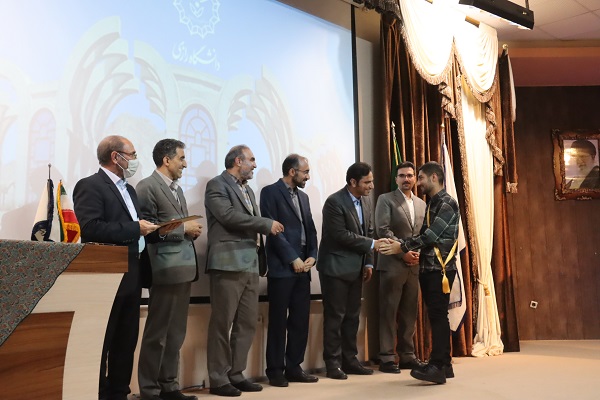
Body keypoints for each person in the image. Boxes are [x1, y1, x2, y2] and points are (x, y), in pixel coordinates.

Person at [73, 135, 163, 400]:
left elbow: (135, 230)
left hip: (133, 270)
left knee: (126, 340)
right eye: (132, 154)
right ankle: (99, 394)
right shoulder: (90, 185)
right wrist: (135, 228)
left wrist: (157, 231)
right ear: (116, 157)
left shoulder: (130, 190)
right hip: (107, 274)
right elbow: (91, 228)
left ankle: (119, 393)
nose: (135, 160)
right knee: (104, 339)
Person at [204, 145, 284, 397]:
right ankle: (218, 379)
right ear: (238, 161)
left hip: (250, 263)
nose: (255, 164)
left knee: (247, 323)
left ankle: (236, 374)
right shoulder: (217, 185)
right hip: (227, 262)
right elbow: (228, 216)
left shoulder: (248, 189)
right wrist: (266, 224)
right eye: (252, 159)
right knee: (222, 323)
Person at [380, 161, 460, 385]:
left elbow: (431, 236)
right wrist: (408, 248)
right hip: (429, 268)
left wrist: (402, 247)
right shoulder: (433, 203)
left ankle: (437, 366)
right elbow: (424, 235)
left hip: (439, 269)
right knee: (437, 316)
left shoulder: (446, 203)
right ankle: (445, 365)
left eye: (421, 178)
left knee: (438, 317)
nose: (418, 182)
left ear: (434, 178)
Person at [136, 139, 202, 400]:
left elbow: (175, 226)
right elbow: (149, 230)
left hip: (184, 268)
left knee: (176, 333)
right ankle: (149, 390)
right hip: (163, 269)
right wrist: (184, 229)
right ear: (167, 160)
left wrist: (189, 232)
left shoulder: (178, 190)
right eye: (181, 158)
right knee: (157, 334)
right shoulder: (147, 187)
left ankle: (170, 386)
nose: (185, 164)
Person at [317, 162, 386, 380]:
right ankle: (333, 363)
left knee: (352, 317)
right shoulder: (334, 202)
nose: (371, 186)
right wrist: (372, 245)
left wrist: (368, 263)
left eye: (372, 181)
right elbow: (340, 235)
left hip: (357, 268)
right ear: (353, 182)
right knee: (335, 317)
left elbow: (369, 232)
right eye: (367, 182)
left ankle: (350, 360)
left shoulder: (366, 201)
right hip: (335, 268)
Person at [259, 154, 319, 388]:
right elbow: (272, 230)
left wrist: (312, 255)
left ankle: (294, 367)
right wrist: (292, 258)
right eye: (305, 172)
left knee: (300, 320)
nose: (308, 176)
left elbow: (311, 229)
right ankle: (275, 370)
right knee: (278, 322)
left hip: (304, 267)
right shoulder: (270, 192)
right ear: (292, 172)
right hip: (282, 267)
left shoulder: (304, 197)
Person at [375, 162, 426, 374]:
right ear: (396, 179)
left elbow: (424, 234)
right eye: (402, 175)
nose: (406, 179)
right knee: (388, 312)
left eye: (410, 175)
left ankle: (407, 356)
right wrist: (403, 251)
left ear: (415, 179)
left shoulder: (422, 204)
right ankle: (387, 358)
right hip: (392, 264)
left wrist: (417, 254)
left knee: (409, 313)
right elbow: (383, 229)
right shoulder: (385, 199)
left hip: (414, 265)